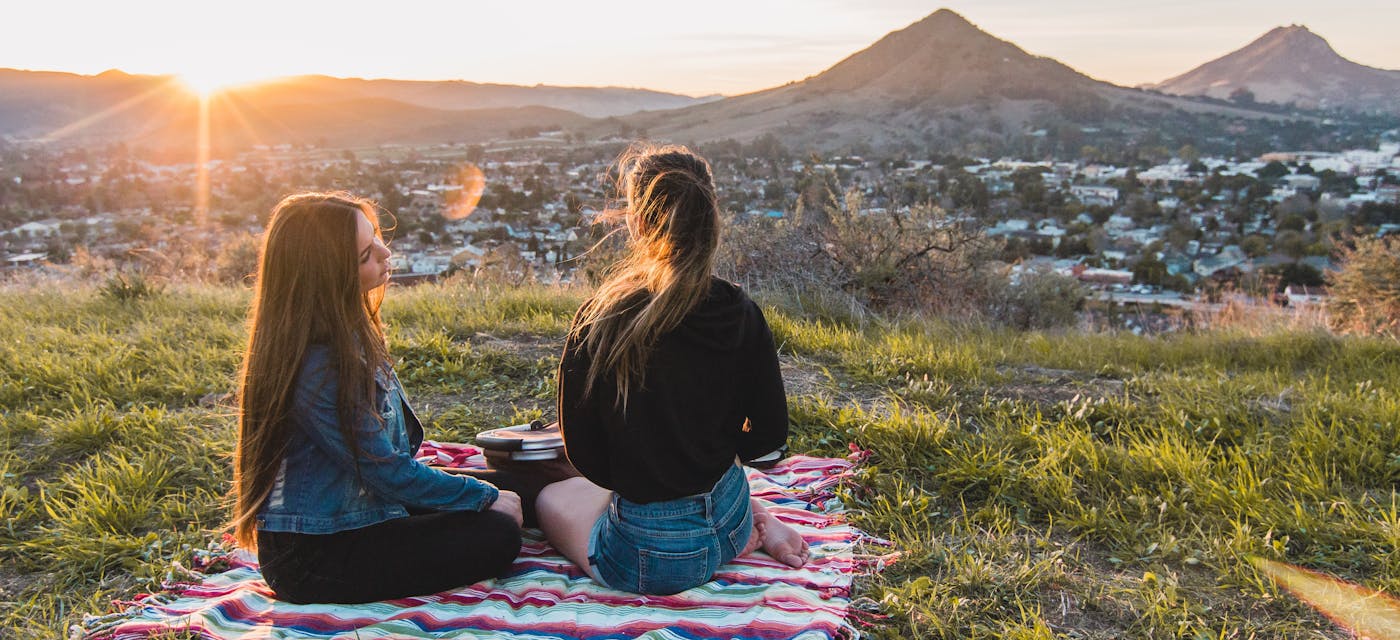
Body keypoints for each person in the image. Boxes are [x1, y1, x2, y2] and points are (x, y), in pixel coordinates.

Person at [229, 192, 540, 604]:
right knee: (497, 533)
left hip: (366, 504)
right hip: (316, 553)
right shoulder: (319, 366)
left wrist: (483, 493)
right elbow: (386, 471)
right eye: (365, 255)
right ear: (329, 276)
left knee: (522, 489)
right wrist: (483, 497)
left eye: (375, 236)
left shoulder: (347, 328)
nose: (385, 252)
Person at [537, 145, 809, 596]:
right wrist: (705, 457)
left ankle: (720, 532)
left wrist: (646, 470)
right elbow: (769, 441)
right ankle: (753, 522)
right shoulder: (740, 311)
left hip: (653, 557)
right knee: (689, 494)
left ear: (636, 223)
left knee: (552, 497)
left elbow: (583, 453)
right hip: (730, 516)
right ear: (709, 217)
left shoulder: (602, 319)